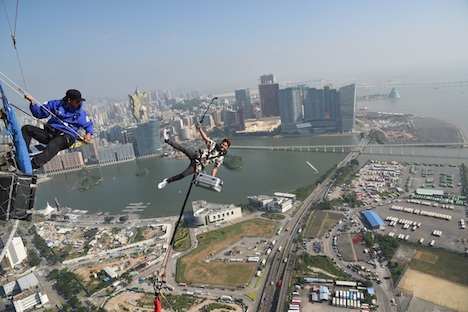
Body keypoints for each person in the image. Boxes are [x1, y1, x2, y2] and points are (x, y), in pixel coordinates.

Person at [22, 89, 94, 169]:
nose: (79, 103)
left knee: (56, 142)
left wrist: (88, 135)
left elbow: (89, 124)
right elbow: (40, 114)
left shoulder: (80, 113)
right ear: (69, 100)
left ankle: (32, 165)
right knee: (26, 129)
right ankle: (22, 154)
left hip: (66, 137)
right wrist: (32, 103)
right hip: (50, 133)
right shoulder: (56, 104)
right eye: (77, 101)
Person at [158, 123, 231, 189]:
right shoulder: (214, 145)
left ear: (227, 148)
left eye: (225, 145)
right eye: (222, 144)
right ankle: (167, 140)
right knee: (182, 148)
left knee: (183, 175)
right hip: (196, 156)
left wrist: (212, 178)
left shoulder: (221, 158)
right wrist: (199, 129)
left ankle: (167, 181)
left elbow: (215, 168)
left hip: (197, 165)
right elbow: (205, 138)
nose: (222, 146)